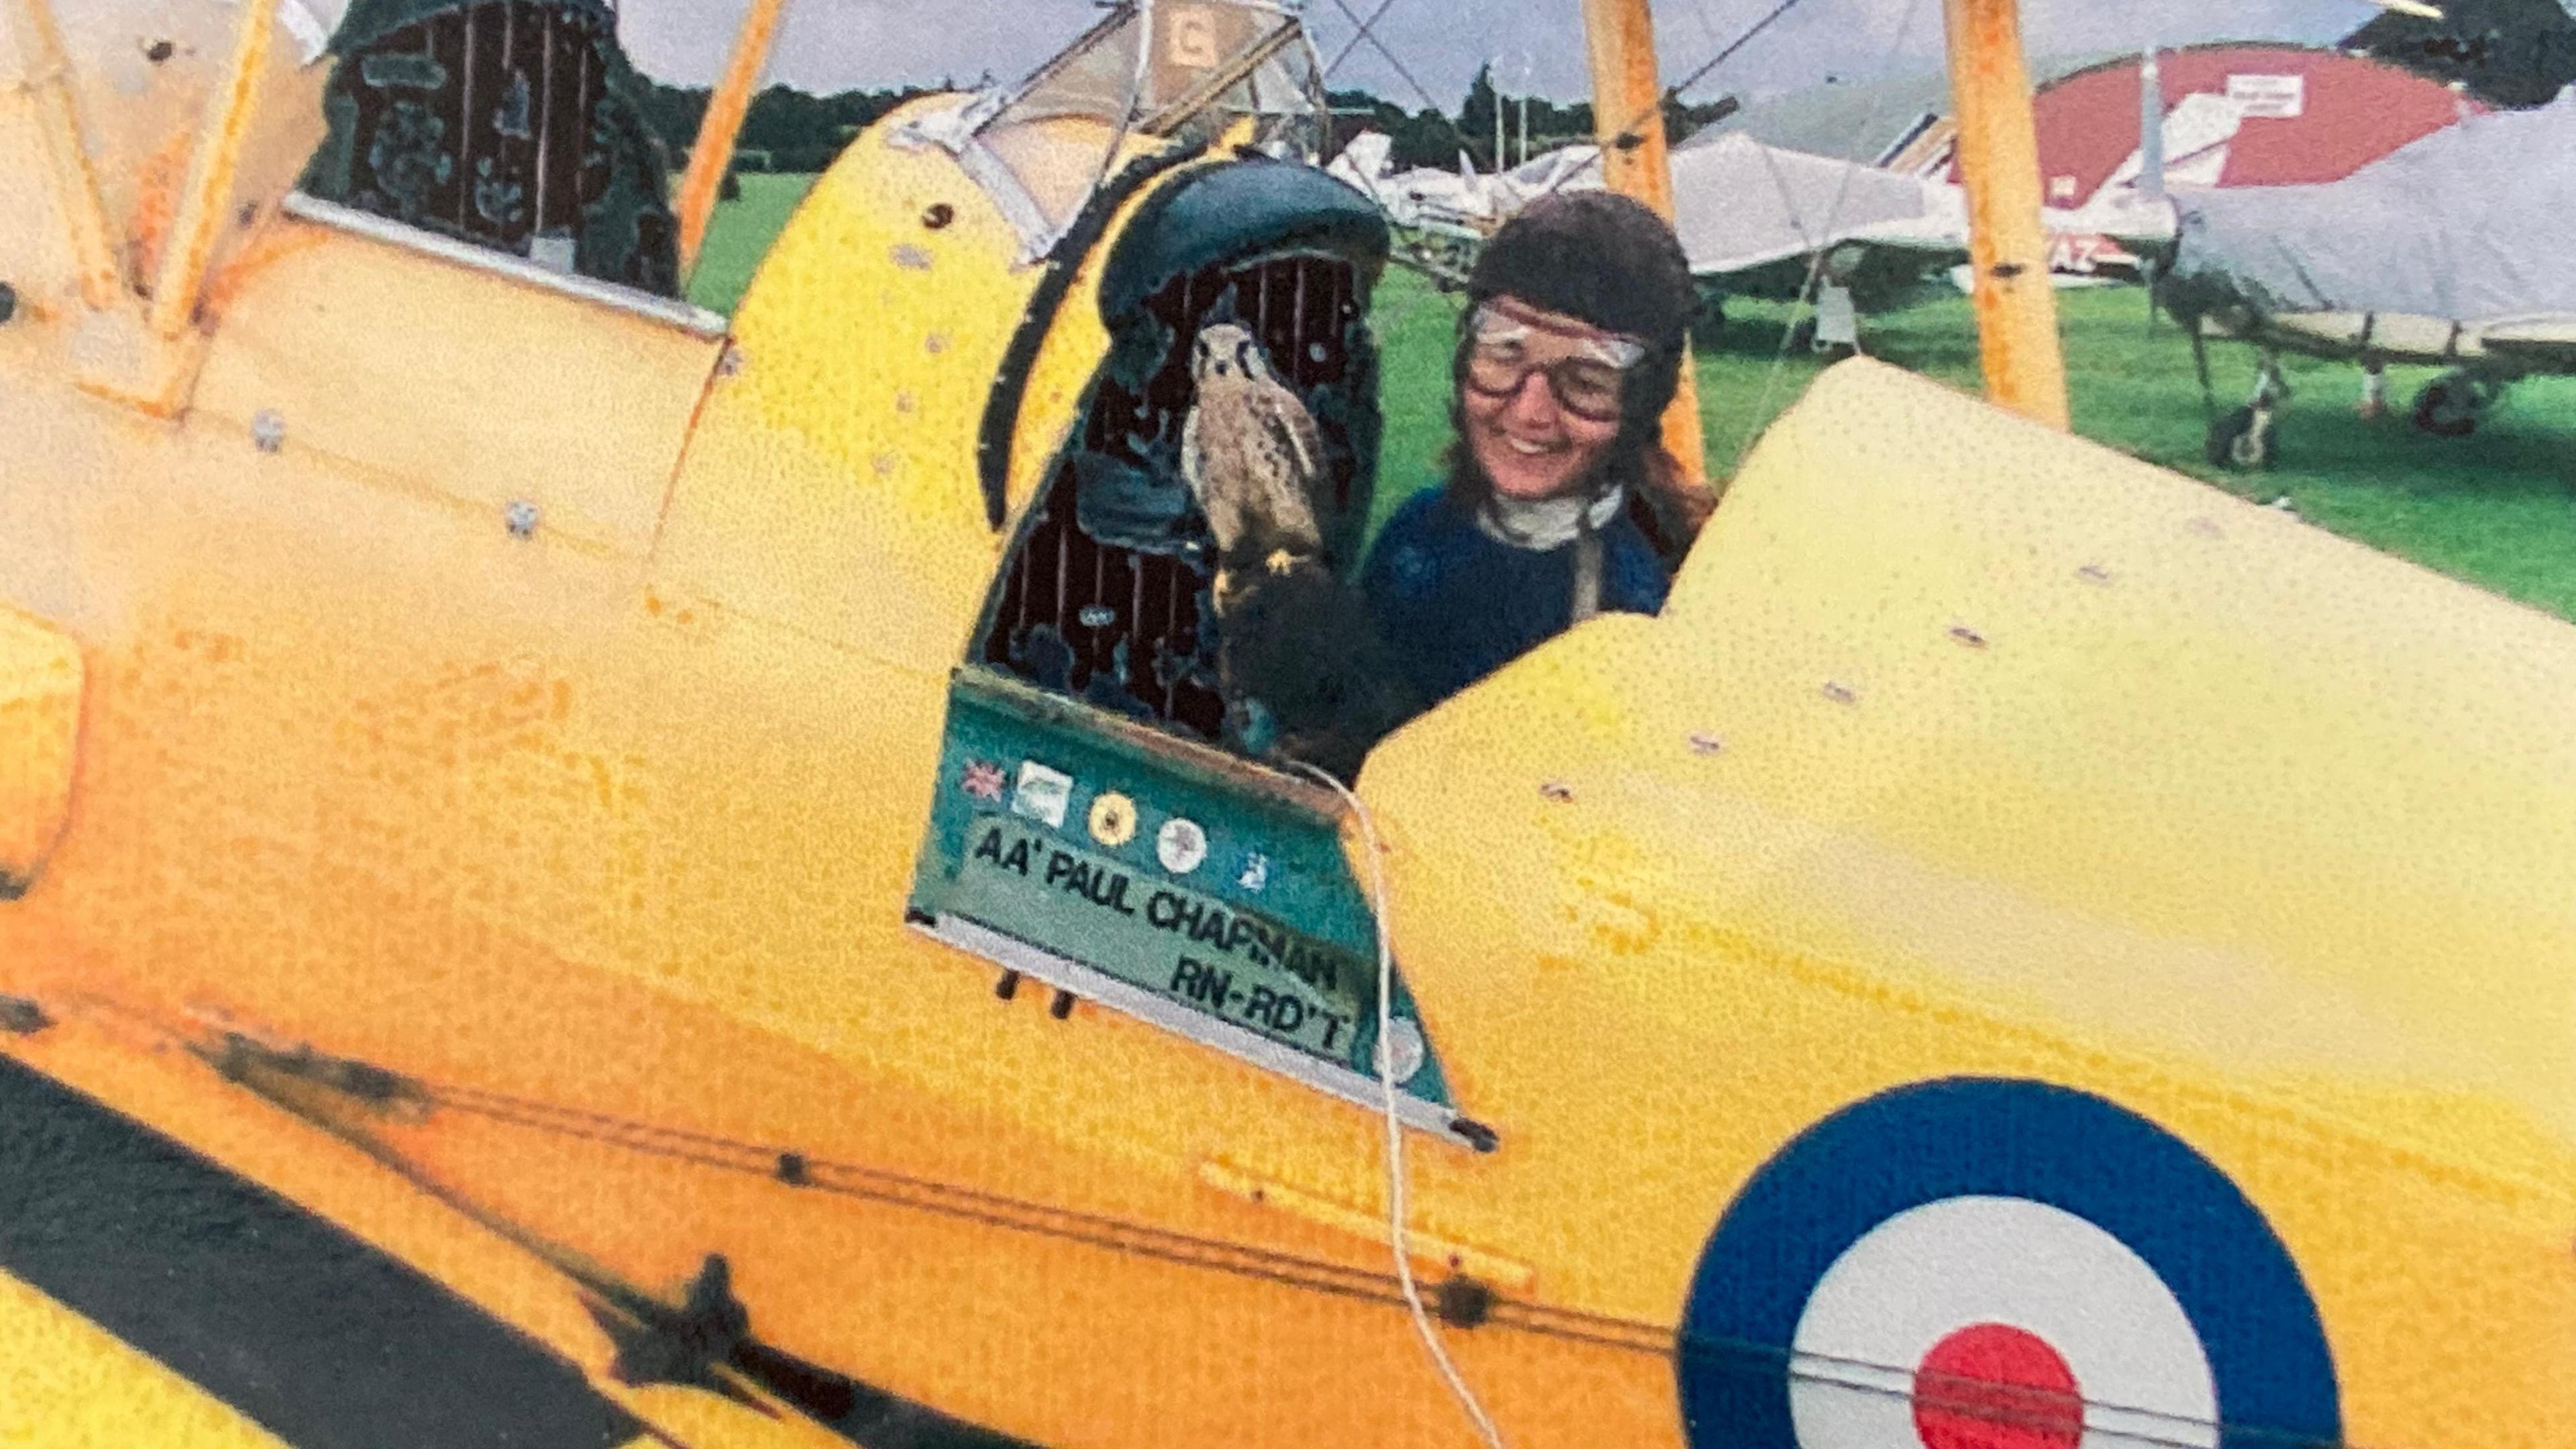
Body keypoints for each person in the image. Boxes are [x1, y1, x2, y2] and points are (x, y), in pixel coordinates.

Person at [1358, 190, 1713, 712]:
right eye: (1505, 356)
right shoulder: (1417, 538)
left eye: (1586, 381)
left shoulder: (1642, 602)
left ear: (1640, 405)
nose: (1530, 413)